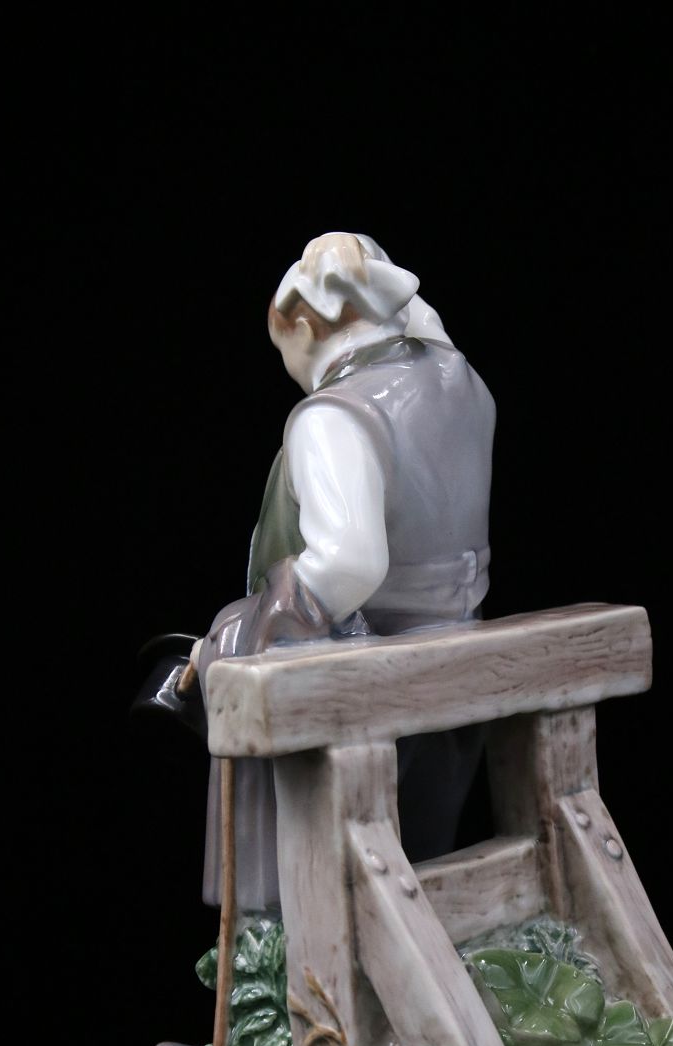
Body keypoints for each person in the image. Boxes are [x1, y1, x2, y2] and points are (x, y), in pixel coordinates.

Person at [192, 232, 496, 912]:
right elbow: (430, 330)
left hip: (375, 679)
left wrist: (259, 622)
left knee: (234, 644)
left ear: (301, 328)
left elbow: (349, 562)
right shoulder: (462, 382)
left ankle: (279, 924)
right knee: (424, 841)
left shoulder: (334, 416)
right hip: (465, 654)